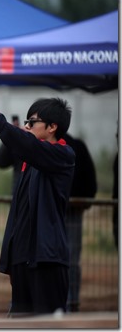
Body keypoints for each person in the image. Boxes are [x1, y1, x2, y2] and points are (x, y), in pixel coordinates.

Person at [0, 95, 75, 316]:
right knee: (20, 322)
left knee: (48, 323)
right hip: (23, 260)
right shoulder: (29, 162)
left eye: (32, 122)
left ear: (52, 127)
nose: (27, 126)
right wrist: (11, 260)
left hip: (47, 260)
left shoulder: (62, 155)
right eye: (26, 122)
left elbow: (26, 144)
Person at [61, 133, 97, 313]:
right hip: (66, 209)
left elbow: (90, 180)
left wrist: (84, 201)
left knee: (70, 259)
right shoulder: (38, 145)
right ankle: (68, 301)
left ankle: (71, 301)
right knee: (69, 259)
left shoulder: (75, 147)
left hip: (72, 210)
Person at [0, 115, 23, 194]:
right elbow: (0, 162)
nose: (27, 126)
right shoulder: (20, 145)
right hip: (18, 196)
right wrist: (10, 137)